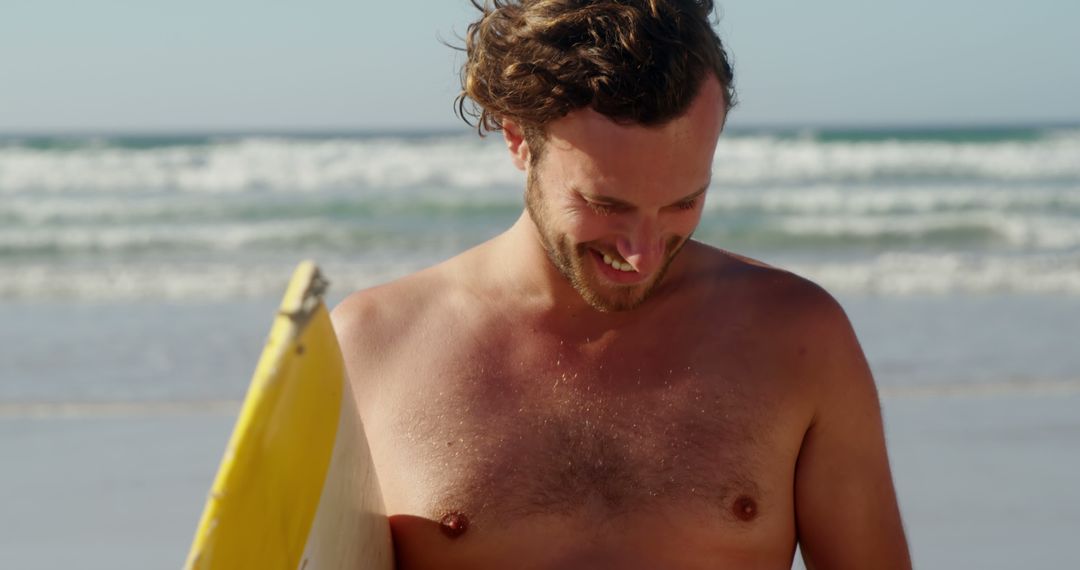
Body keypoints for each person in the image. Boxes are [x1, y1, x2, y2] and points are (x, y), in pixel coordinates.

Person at [332, 0, 911, 568]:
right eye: (604, 204)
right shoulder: (373, 345)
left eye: (684, 202)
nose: (642, 253)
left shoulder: (799, 339)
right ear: (516, 137)